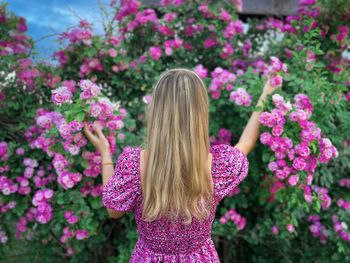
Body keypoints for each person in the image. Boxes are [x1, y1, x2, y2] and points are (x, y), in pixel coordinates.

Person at [83, 68, 279, 262]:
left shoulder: (134, 164)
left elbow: (113, 210)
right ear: (200, 112)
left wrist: (105, 153)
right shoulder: (220, 165)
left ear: (157, 112)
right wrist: (265, 94)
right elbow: (245, 143)